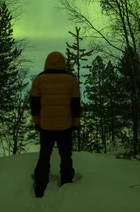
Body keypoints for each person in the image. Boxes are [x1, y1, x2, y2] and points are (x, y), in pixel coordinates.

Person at [29, 51, 81, 198]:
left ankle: (40, 186)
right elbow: (76, 105)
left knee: (44, 156)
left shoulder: (39, 79)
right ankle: (66, 183)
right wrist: (75, 124)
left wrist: (36, 122)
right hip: (65, 126)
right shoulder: (71, 80)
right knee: (66, 156)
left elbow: (34, 104)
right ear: (63, 63)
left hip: (46, 126)